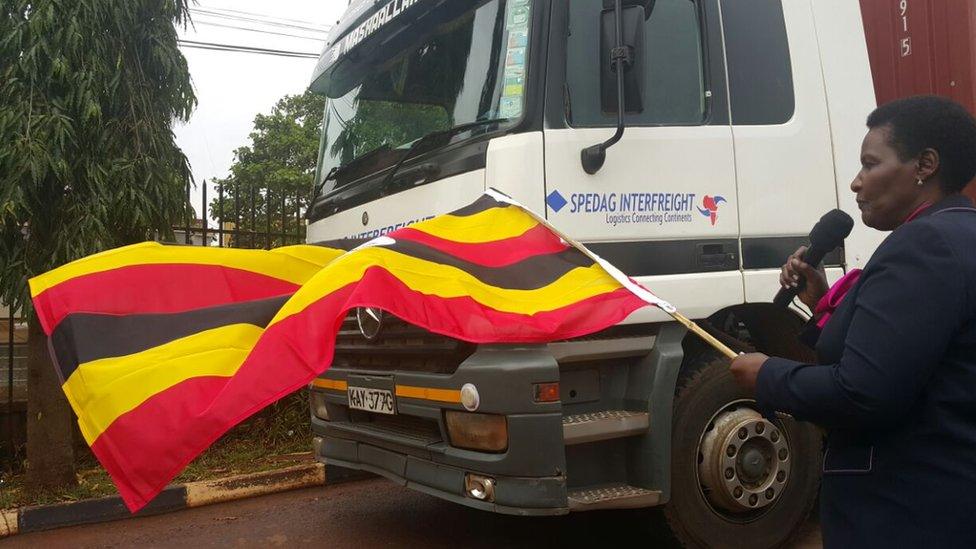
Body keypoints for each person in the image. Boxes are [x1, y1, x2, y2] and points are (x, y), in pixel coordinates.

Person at [730, 95, 976, 548]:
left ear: (925, 164)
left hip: (906, 510)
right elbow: (911, 360)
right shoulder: (959, 234)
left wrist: (767, 374)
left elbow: (865, 394)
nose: (856, 183)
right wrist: (823, 303)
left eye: (870, 164)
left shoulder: (922, 247)